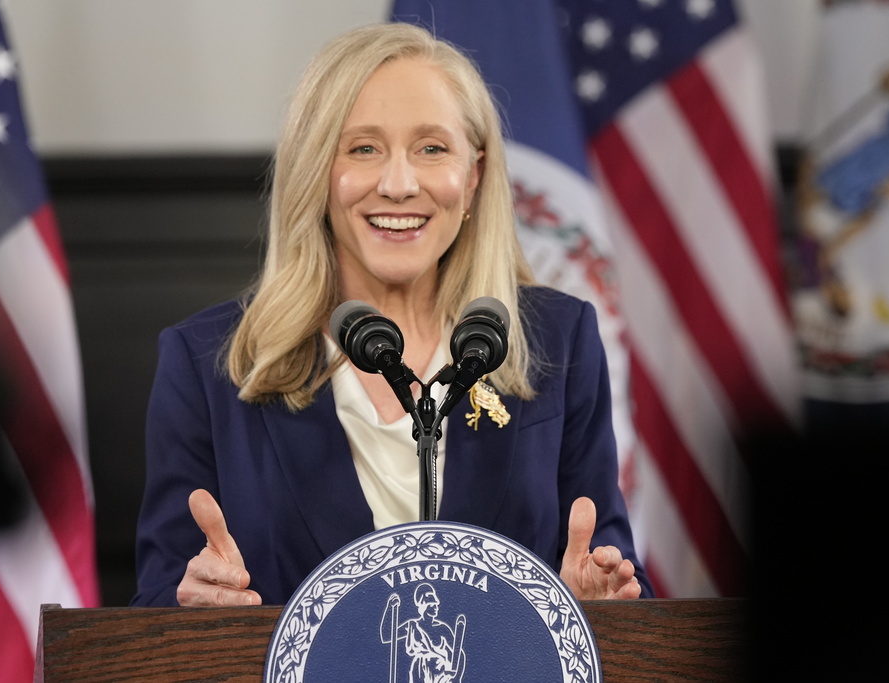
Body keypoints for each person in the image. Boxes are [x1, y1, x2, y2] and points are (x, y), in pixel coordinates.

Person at [132, 22, 651, 608]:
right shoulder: (207, 363)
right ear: (316, 172)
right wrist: (192, 604)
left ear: (474, 176)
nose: (399, 184)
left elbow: (616, 576)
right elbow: (155, 607)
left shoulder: (560, 340)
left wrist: (604, 603)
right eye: (363, 148)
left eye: (432, 148)